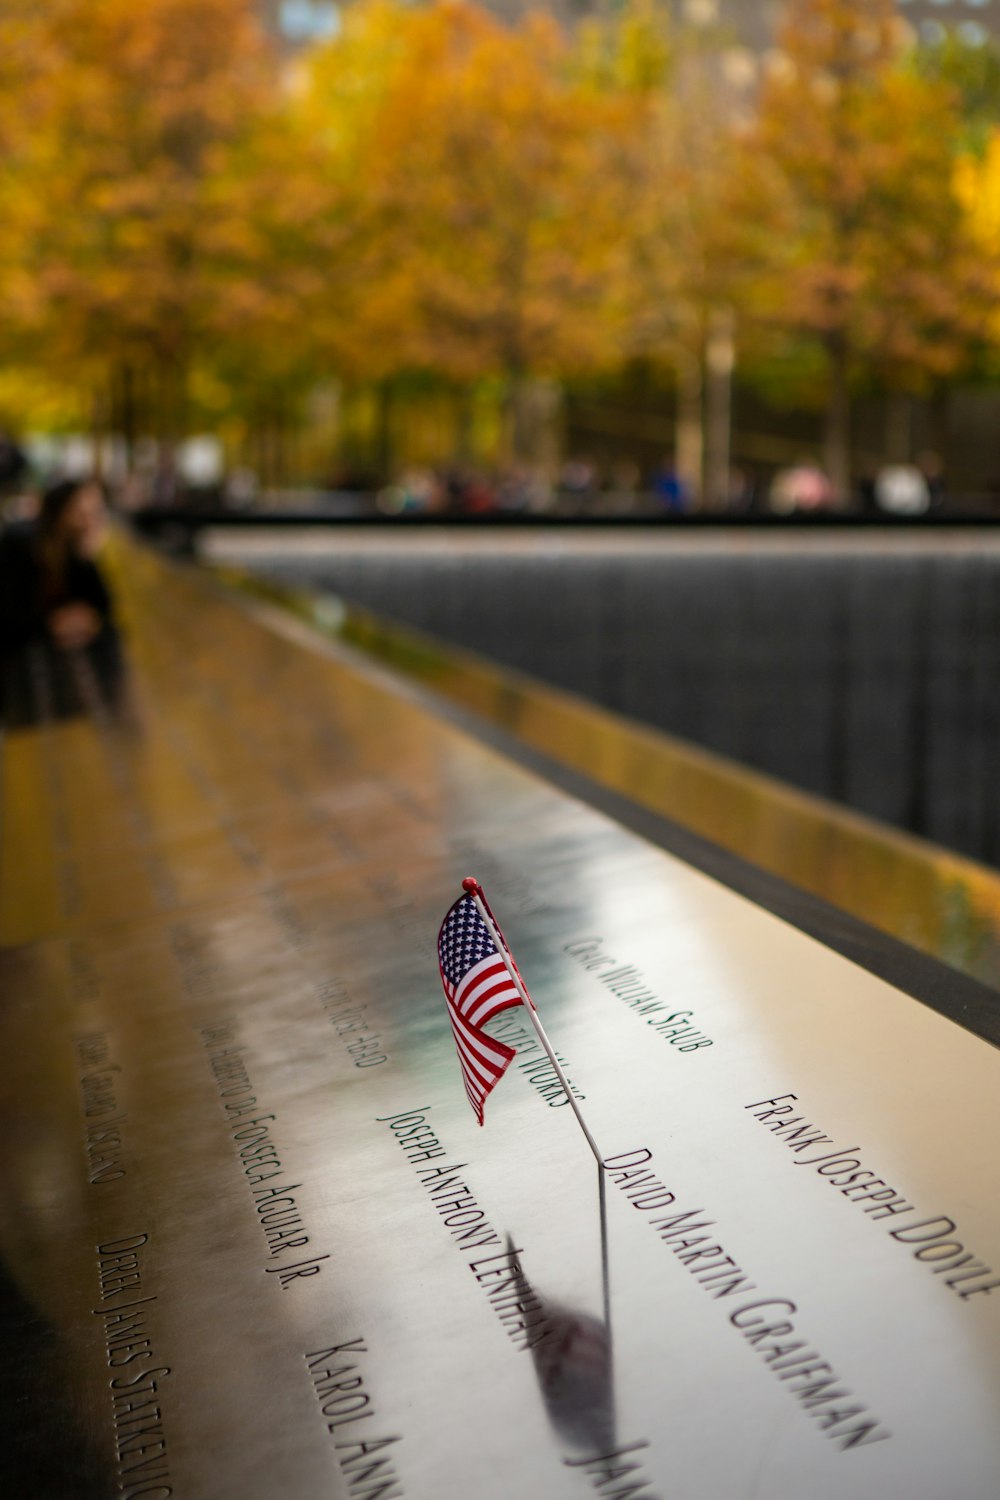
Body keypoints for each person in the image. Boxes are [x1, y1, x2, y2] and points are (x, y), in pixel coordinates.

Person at [0, 477, 123, 726]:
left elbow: (104, 607)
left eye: (96, 511)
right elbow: (7, 617)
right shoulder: (21, 543)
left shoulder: (72, 548)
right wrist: (51, 624)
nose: (90, 519)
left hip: (42, 658)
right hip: (14, 663)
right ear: (62, 509)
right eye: (82, 510)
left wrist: (89, 553)